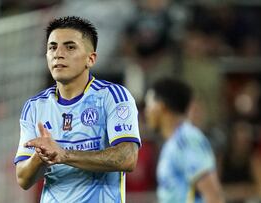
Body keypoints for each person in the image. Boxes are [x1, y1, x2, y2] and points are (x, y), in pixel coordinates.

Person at [14, 16, 141, 203]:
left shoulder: (113, 96)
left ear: (90, 59)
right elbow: (23, 179)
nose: (58, 53)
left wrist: (63, 154)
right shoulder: (35, 107)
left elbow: (127, 158)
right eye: (52, 47)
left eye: (70, 47)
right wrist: (39, 157)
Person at [144, 77, 225, 203]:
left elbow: (214, 197)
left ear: (162, 107)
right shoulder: (173, 143)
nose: (146, 112)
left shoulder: (187, 140)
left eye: (149, 105)